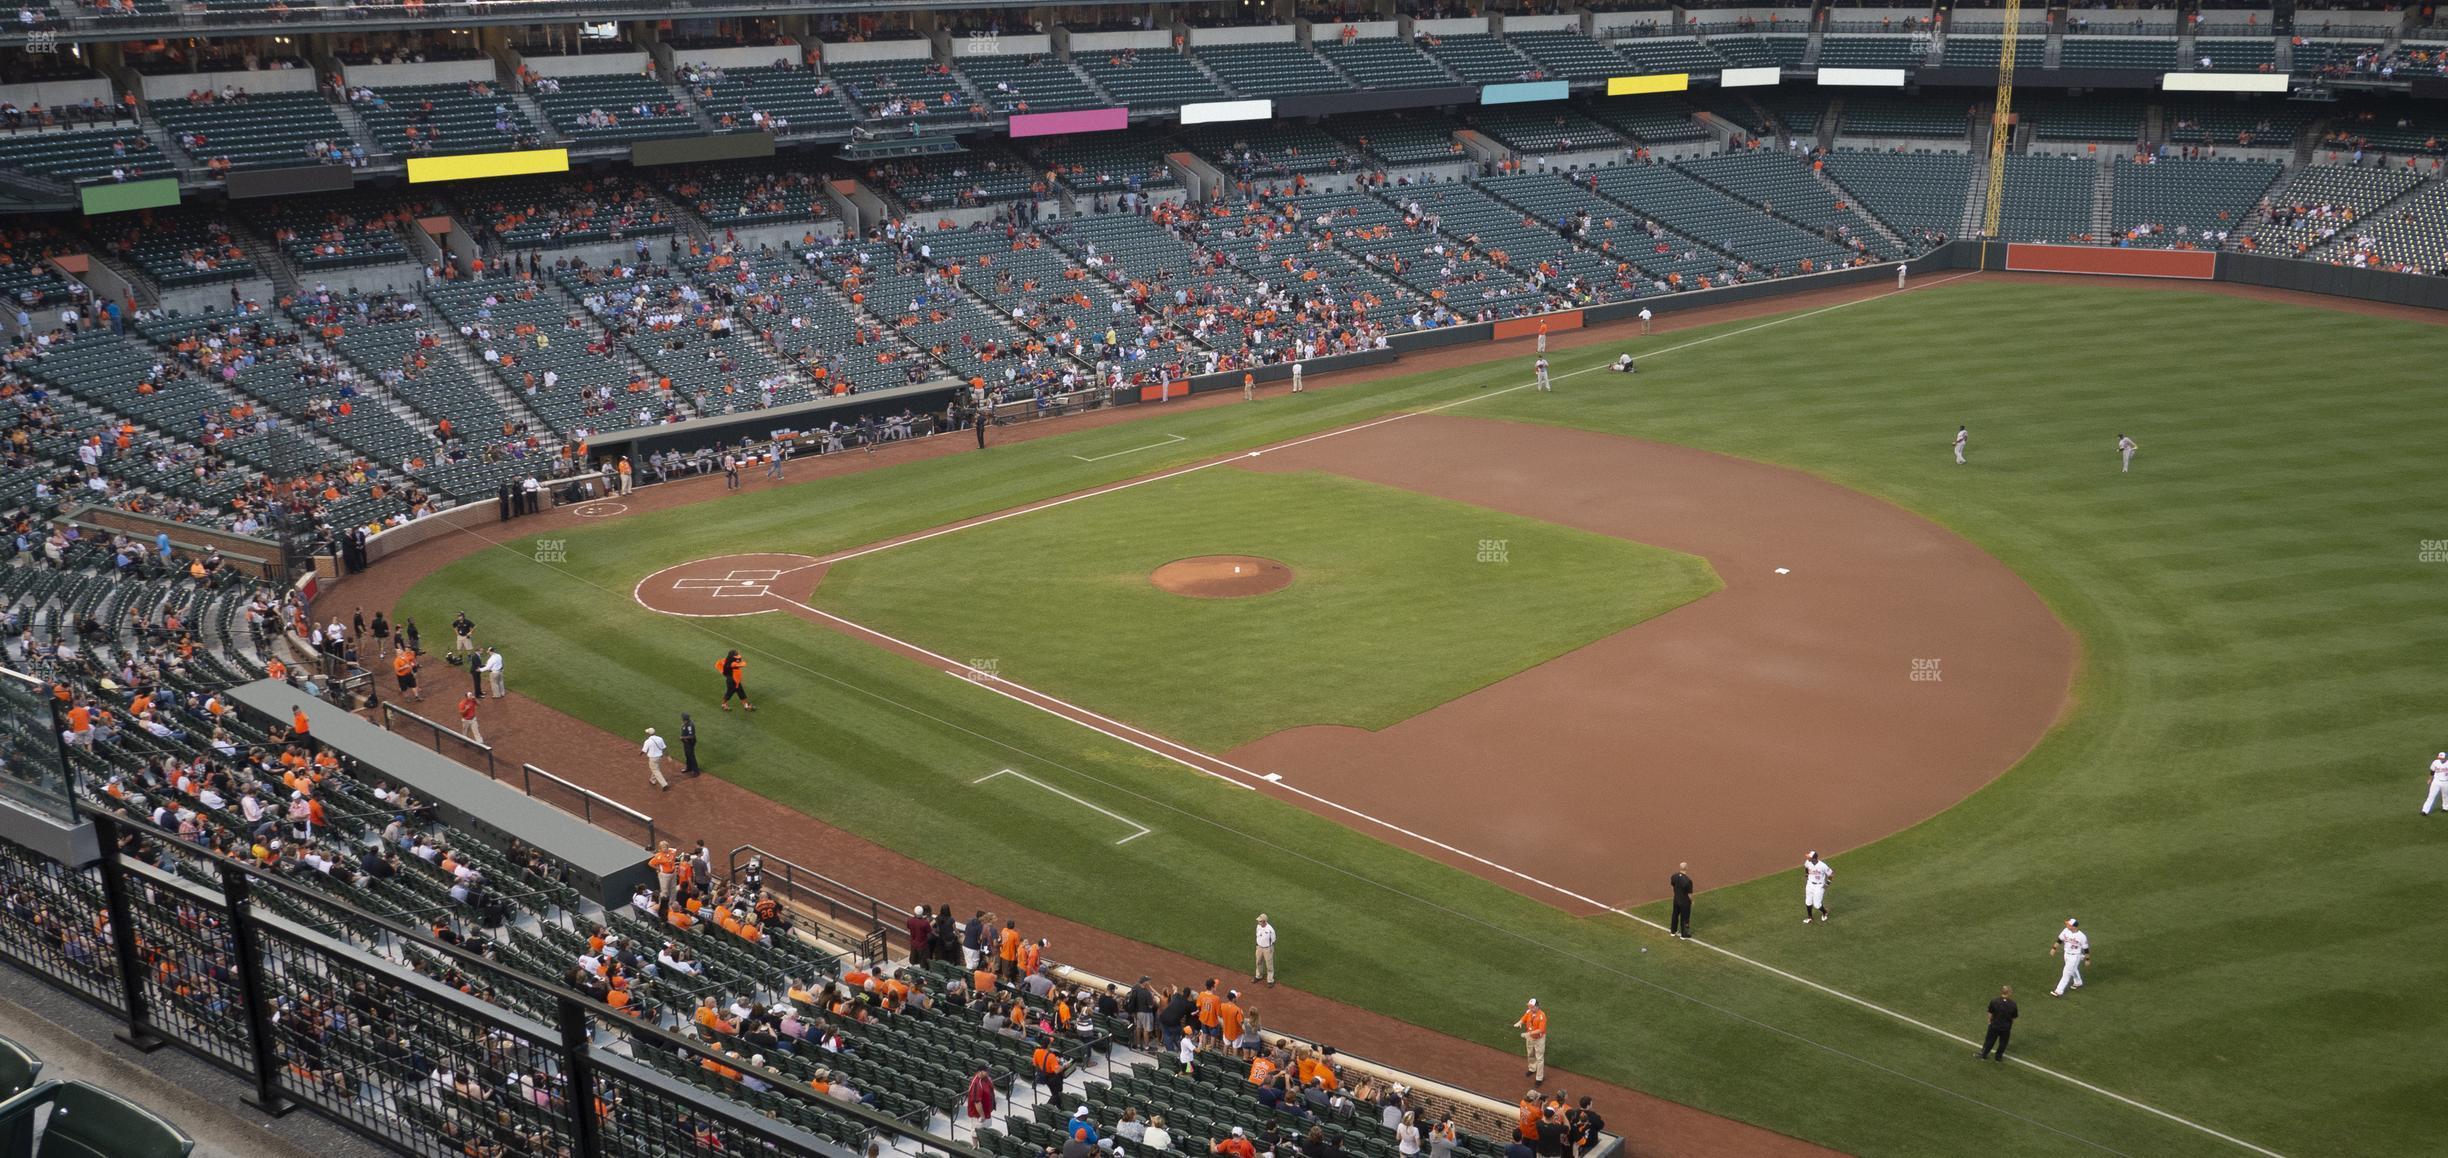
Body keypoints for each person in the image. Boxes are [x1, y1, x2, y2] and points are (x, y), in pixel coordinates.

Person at [2050, 918, 2088, 996]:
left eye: (2069, 925)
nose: (2067, 925)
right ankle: (2078, 982)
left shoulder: (2081, 936)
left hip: (2074, 956)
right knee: (2073, 969)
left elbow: (2086, 949)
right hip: (2066, 954)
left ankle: (2058, 991)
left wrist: (2087, 959)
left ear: (2074, 927)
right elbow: (2059, 940)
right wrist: (2054, 948)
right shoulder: (2066, 930)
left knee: (2066, 973)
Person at [1978, 985, 2018, 1061]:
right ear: (2009, 993)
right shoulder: (2013, 1004)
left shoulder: (1994, 1001)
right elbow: (2013, 1018)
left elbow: (1990, 1013)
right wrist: (2009, 1025)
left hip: (1994, 1025)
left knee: (1989, 1041)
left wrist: (1989, 1022)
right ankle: (1998, 1058)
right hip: (2006, 1027)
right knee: (2003, 1043)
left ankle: (1983, 1055)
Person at [1514, 998, 1547, 1084]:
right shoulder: (1529, 1012)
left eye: (1532, 1007)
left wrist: (1528, 1034)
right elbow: (1523, 1018)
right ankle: (1532, 1069)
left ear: (1537, 1006)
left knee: (1539, 1058)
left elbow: (1541, 1030)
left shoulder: (1542, 1016)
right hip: (1530, 1037)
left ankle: (1539, 1078)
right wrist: (1519, 1022)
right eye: (1529, 1006)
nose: (1530, 1008)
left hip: (1539, 1039)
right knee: (1530, 1054)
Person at [1803, 850, 1834, 923]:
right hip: (1810, 884)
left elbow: (1831, 874)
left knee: (1817, 905)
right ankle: (1810, 918)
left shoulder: (1823, 865)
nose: (1808, 858)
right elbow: (1806, 867)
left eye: (1810, 857)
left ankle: (1825, 912)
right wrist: (1807, 875)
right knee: (1808, 902)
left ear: (1814, 858)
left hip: (1819, 886)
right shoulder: (1808, 862)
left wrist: (1827, 884)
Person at [1667, 863, 1694, 939]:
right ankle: (1684, 934)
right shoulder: (1688, 881)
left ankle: (1673, 931)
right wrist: (1692, 901)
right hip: (1685, 902)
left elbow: (1672, 886)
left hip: (1676, 900)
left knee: (1675, 915)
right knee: (1684, 917)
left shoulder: (1674, 876)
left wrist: (1676, 894)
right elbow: (1689, 894)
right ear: (1686, 868)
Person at [1253, 914, 1276, 986]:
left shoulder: (1270, 930)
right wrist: (1258, 944)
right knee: (1258, 962)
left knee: (1269, 965)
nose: (1258, 922)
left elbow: (1273, 940)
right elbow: (1257, 935)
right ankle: (1258, 976)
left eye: (1260, 921)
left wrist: (1268, 947)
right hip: (1259, 947)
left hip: (1267, 949)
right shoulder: (1258, 926)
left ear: (1264, 921)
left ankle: (1270, 980)